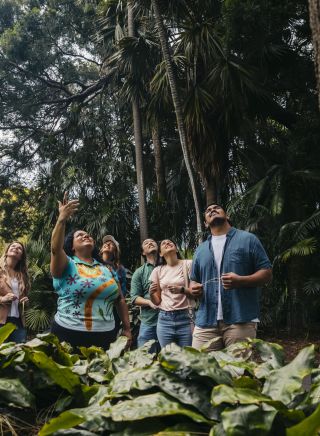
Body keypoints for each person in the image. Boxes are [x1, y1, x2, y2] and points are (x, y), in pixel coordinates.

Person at [50, 193, 131, 350]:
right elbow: (55, 249)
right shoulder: (67, 263)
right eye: (80, 235)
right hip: (68, 334)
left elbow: (120, 300)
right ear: (72, 246)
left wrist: (127, 329)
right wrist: (62, 219)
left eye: (88, 235)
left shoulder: (107, 268)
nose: (86, 235)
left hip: (106, 336)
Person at [191, 204, 272, 352]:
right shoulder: (200, 250)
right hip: (205, 322)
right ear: (205, 223)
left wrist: (240, 280)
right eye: (208, 210)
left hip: (240, 319)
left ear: (227, 216)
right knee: (200, 371)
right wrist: (194, 288)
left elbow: (266, 273)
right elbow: (194, 281)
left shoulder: (248, 239)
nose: (212, 210)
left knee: (238, 372)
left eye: (216, 208)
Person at [149, 239, 201, 348]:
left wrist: (182, 290)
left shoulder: (189, 264)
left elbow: (196, 293)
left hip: (186, 318)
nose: (167, 243)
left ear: (176, 249)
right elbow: (157, 301)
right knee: (169, 361)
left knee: (188, 359)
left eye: (170, 242)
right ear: (160, 254)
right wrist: (151, 294)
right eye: (163, 243)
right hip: (164, 320)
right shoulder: (157, 270)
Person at [130, 238, 159, 352]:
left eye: (153, 241)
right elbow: (134, 298)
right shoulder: (139, 272)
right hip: (149, 321)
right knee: (145, 359)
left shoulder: (168, 267)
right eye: (146, 243)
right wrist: (149, 302)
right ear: (143, 252)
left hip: (171, 321)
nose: (150, 243)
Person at [0, 241, 30, 343]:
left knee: (18, 354)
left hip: (18, 321)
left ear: (21, 256)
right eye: (13, 246)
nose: (16, 248)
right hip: (1, 320)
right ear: (7, 251)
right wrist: (2, 299)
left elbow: (23, 297)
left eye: (19, 248)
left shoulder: (22, 275)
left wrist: (25, 301)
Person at [100, 234, 128, 337]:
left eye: (111, 244)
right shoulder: (93, 263)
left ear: (115, 251)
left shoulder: (120, 270)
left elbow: (122, 294)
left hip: (113, 312)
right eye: (106, 243)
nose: (107, 244)